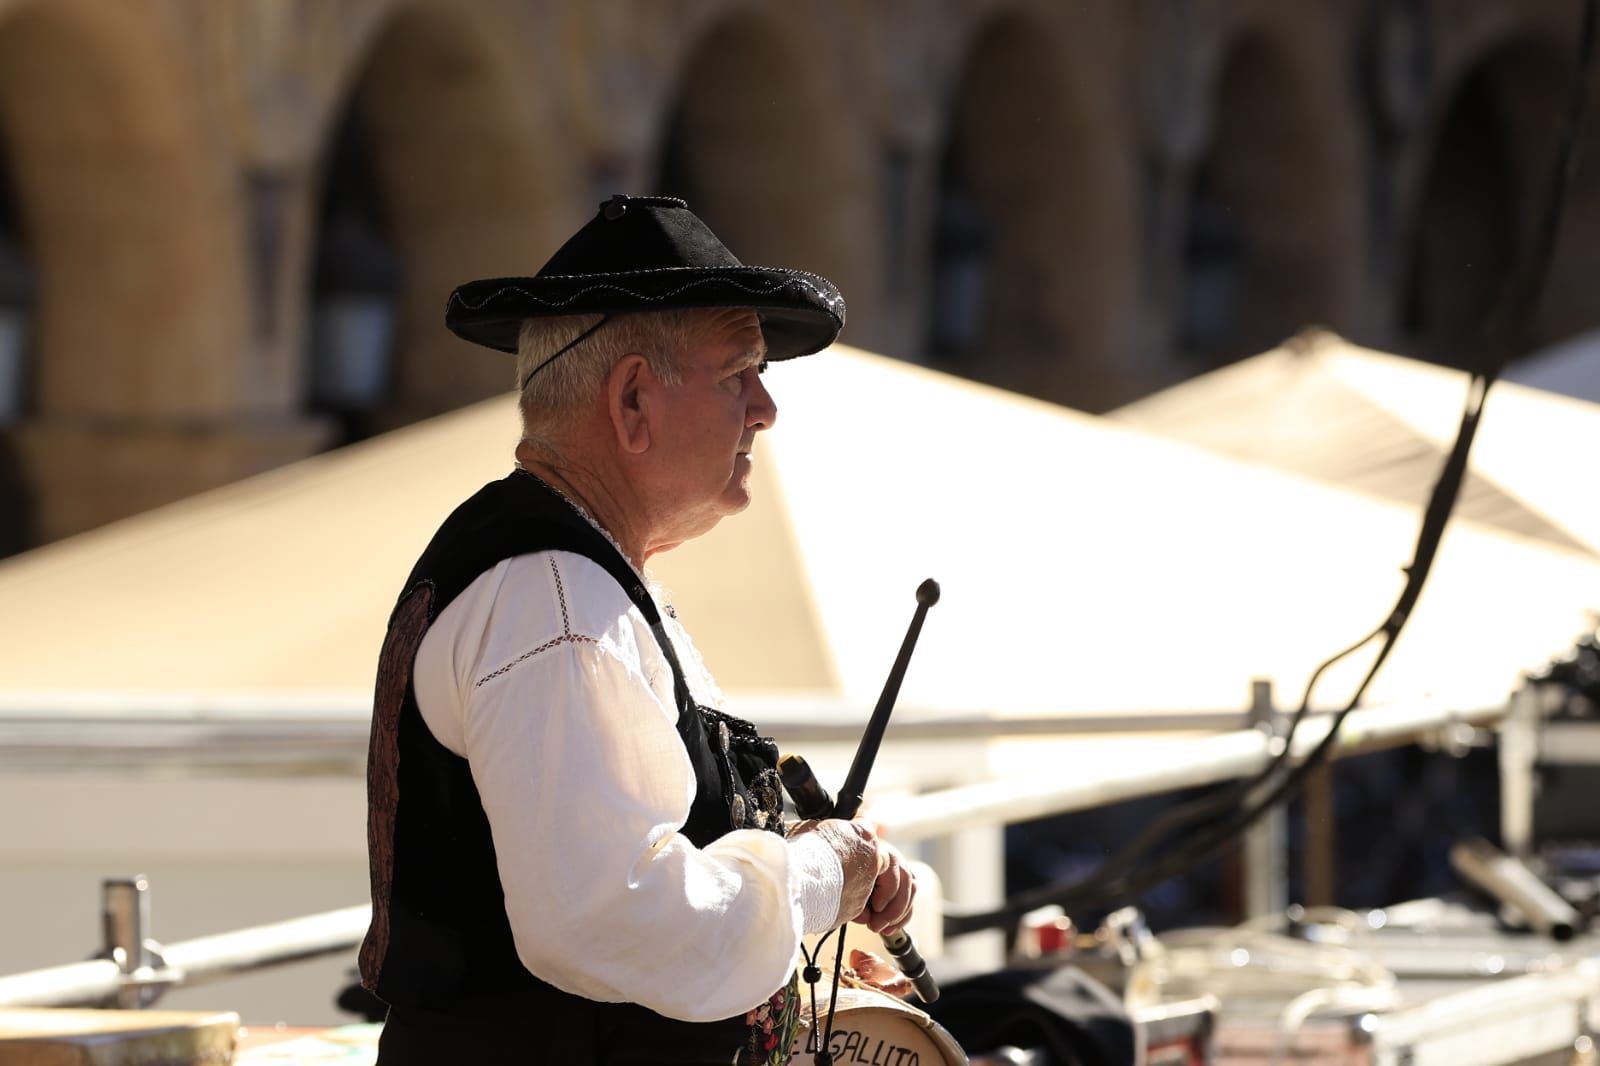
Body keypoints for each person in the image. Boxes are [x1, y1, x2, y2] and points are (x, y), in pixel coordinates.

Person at [359, 194, 917, 1065]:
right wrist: (821, 877)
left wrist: (802, 904)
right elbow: (616, 915)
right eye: (738, 372)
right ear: (631, 402)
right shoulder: (551, 595)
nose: (765, 408)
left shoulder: (578, 579)